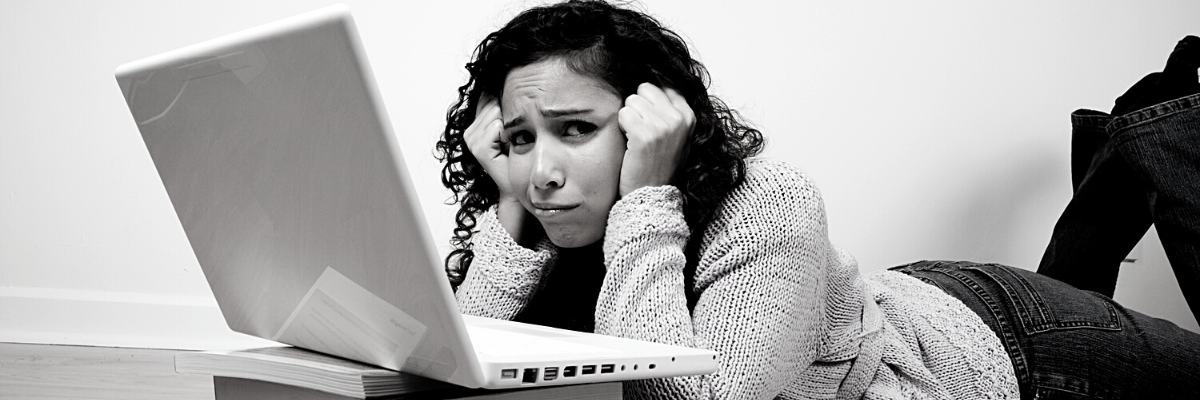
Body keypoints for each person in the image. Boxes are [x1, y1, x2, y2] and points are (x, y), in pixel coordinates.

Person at [433, 1, 1200, 399]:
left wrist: (646, 196)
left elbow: (700, 397)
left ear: (652, 117)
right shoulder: (547, 208)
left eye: (575, 128)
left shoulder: (768, 201)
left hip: (1002, 344)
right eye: (521, 138)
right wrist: (508, 205)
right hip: (874, 305)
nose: (543, 169)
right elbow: (459, 362)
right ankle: (1133, 151)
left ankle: (1164, 123)